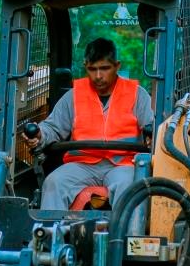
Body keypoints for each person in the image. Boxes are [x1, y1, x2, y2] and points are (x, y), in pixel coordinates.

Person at [23, 37, 154, 210]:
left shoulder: (137, 94)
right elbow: (53, 127)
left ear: (117, 66)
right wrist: (40, 135)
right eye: (93, 69)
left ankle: (126, 236)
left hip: (123, 164)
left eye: (105, 68)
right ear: (86, 67)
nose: (98, 76)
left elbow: (151, 127)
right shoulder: (74, 96)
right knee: (54, 182)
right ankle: (50, 235)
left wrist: (151, 137)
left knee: (130, 187)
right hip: (82, 164)